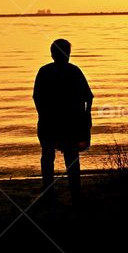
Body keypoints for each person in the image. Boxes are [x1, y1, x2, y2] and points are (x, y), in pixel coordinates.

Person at [33, 38, 93, 200]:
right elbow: (89, 96)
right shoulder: (73, 71)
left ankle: (50, 192)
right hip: (68, 122)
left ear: (52, 54)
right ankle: (74, 192)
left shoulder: (45, 72)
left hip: (52, 122)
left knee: (49, 156)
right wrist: (86, 116)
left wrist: (43, 115)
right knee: (69, 157)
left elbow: (37, 97)